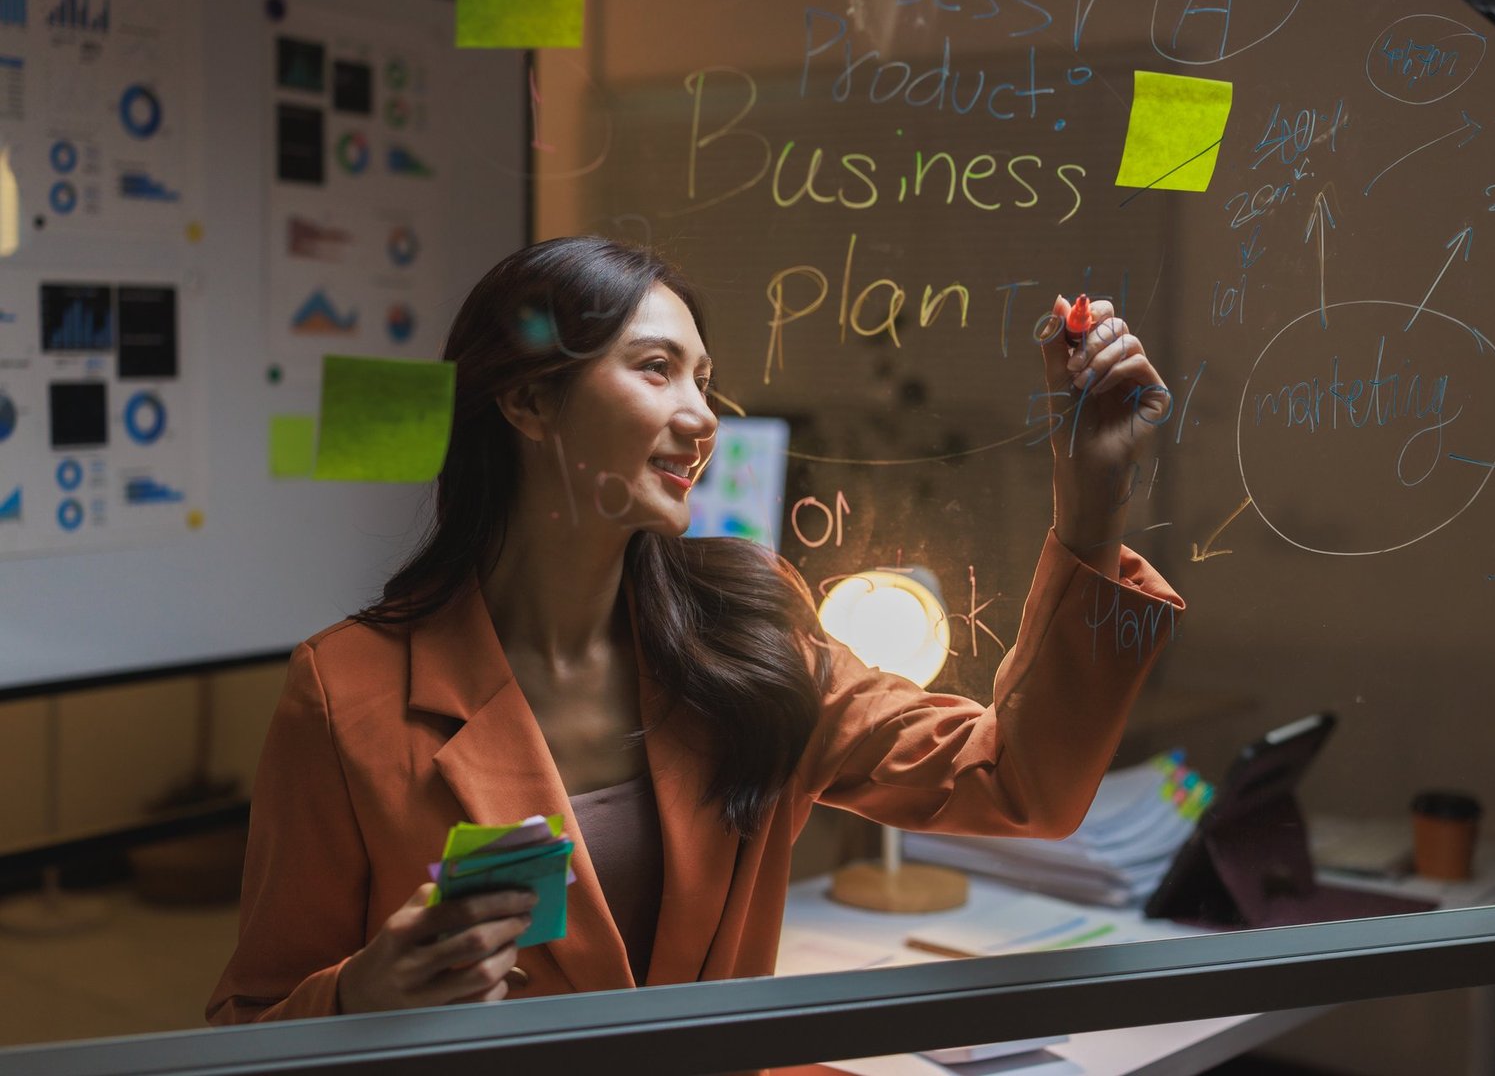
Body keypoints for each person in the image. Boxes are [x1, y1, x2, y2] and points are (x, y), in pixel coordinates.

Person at [206, 235, 1183, 1023]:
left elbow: (1022, 786)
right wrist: (357, 997)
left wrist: (1090, 511)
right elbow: (247, 1024)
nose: (701, 416)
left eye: (704, 381)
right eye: (657, 370)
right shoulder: (347, 693)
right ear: (528, 400)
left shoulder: (748, 631)